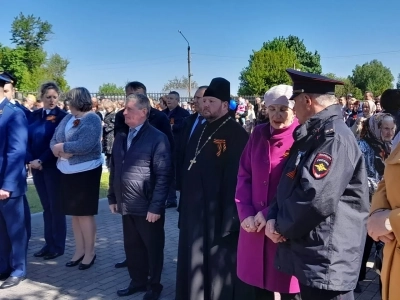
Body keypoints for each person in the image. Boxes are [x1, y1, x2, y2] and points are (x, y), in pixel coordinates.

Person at [265, 69, 369, 300]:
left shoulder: (333, 138)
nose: (293, 108)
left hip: (327, 260)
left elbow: (315, 198)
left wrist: (281, 226)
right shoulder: (315, 134)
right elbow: (290, 180)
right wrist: (274, 215)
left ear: (307, 101)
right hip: (314, 254)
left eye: (294, 102)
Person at [176, 77, 249, 300]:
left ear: (225, 105)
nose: (204, 105)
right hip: (194, 214)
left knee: (216, 270)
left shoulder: (237, 134)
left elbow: (238, 180)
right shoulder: (199, 130)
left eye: (211, 101)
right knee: (193, 262)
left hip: (217, 217)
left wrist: (229, 221)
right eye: (203, 101)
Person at [235, 85, 300, 300]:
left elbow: (300, 187)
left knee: (287, 287)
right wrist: (245, 213)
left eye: (283, 109)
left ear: (293, 109)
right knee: (257, 286)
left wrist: (268, 212)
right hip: (253, 224)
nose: (277, 115)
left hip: (282, 224)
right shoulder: (258, 133)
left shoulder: (302, 136)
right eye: (272, 109)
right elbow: (245, 174)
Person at [108, 93, 172, 300]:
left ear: (144, 112)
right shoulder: (121, 136)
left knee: (152, 248)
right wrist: (112, 197)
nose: (124, 112)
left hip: (147, 206)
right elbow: (115, 168)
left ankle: (154, 286)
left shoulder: (157, 138)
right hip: (126, 203)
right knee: (132, 247)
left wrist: (156, 207)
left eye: (129, 109)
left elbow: (163, 175)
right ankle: (137, 281)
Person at [50, 87, 102, 270]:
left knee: (85, 214)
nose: (66, 104)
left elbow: (86, 144)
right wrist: (61, 150)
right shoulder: (67, 117)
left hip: (86, 172)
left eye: (69, 100)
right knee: (74, 214)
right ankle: (79, 251)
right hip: (67, 171)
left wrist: (63, 147)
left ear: (78, 100)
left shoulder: (92, 119)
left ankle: (90, 252)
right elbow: (54, 139)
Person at [355, 113, 395, 294]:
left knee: (380, 247)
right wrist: (381, 186)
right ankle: (356, 280)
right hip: (366, 204)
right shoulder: (362, 146)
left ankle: (382, 284)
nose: (389, 132)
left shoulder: (390, 147)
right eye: (385, 128)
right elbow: (359, 177)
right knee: (363, 247)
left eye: (391, 128)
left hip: (384, 208)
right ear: (375, 128)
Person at [28, 82, 68, 260]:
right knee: (46, 207)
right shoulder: (34, 115)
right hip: (37, 167)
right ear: (41, 97)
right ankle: (48, 243)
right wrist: (31, 160)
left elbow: (57, 141)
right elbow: (26, 138)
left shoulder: (63, 117)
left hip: (53, 167)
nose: (52, 100)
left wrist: (42, 160)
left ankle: (58, 245)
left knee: (56, 207)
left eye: (54, 97)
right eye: (48, 97)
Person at [0, 73, 29, 289]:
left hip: (7, 184)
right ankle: (3, 266)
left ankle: (18, 269)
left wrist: (7, 185)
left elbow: (16, 152)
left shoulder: (14, 114)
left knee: (15, 229)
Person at [176, 85, 208, 192]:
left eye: (198, 98)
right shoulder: (187, 121)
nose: (194, 101)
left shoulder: (217, 124)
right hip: (186, 178)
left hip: (205, 183)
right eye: (194, 98)